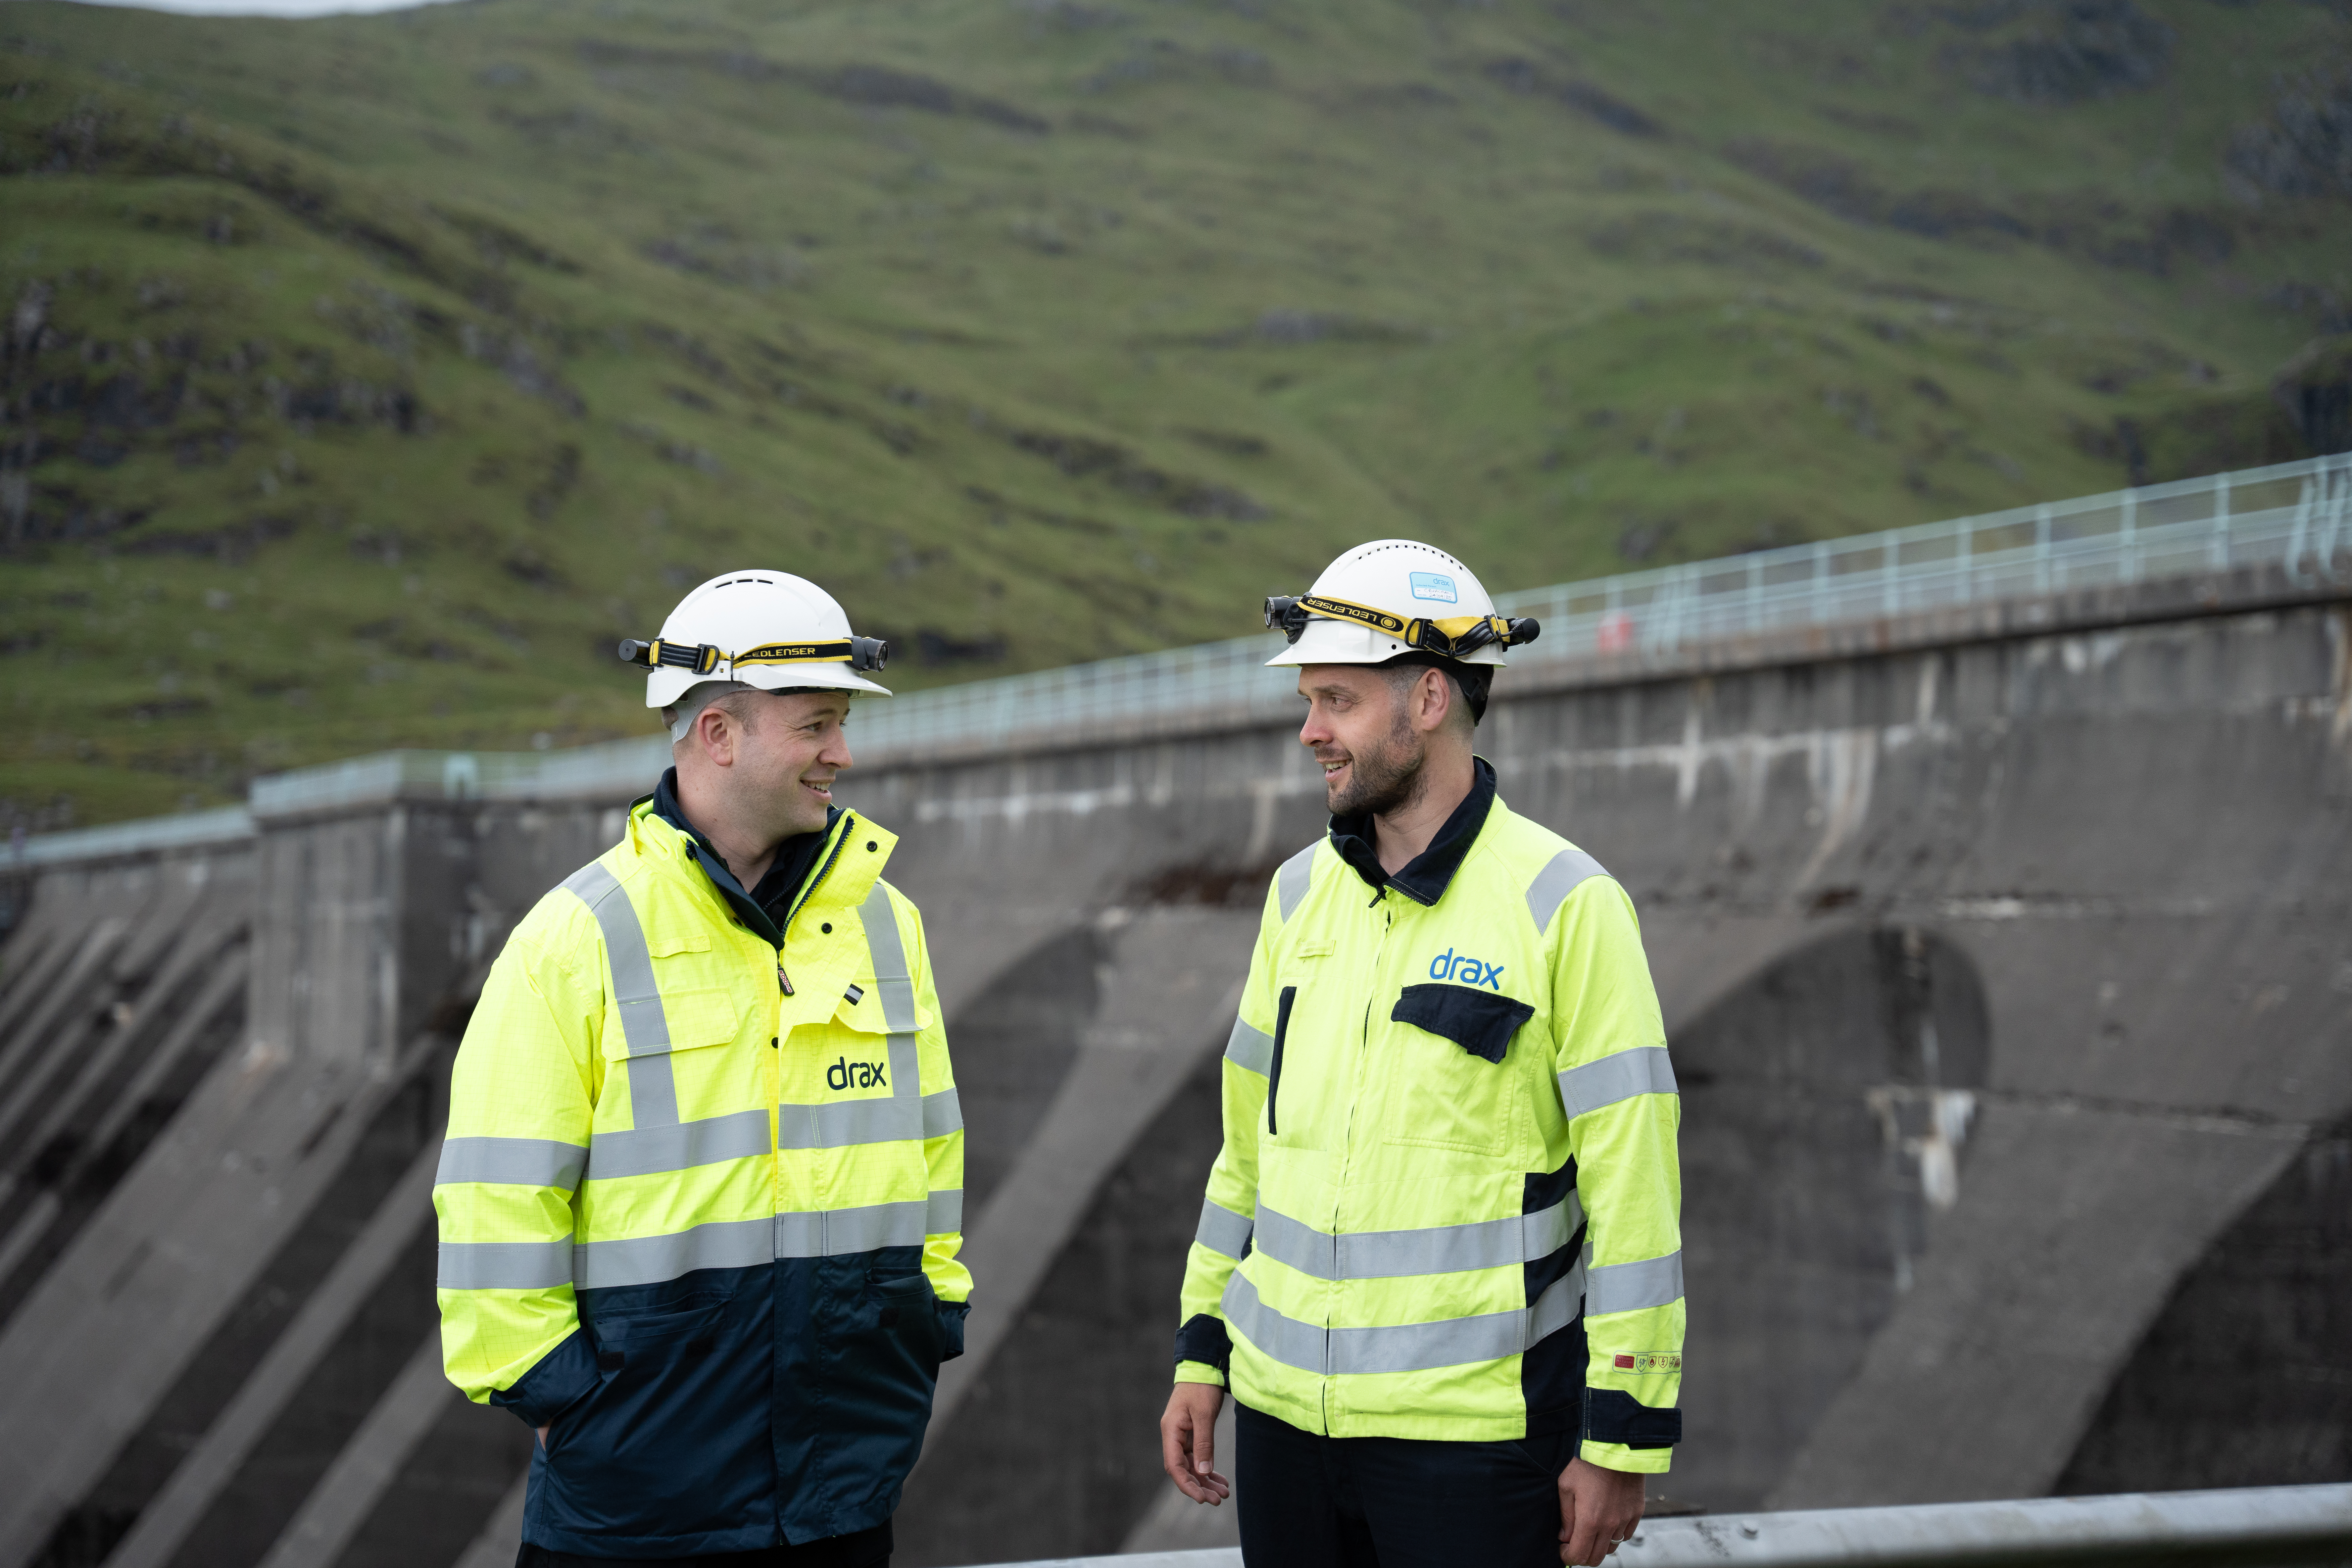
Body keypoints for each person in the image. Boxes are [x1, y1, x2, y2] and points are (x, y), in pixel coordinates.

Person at [1157, 541, 1684, 1568]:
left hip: (1473, 1447)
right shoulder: (1296, 897)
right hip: (1282, 1430)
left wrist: (1623, 1435)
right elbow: (1246, 1156)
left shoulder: (1568, 905)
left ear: (1431, 699)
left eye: (1339, 702)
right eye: (1309, 701)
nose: (1311, 731)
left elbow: (1636, 1190)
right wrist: (1202, 1349)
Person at [435, 571, 971, 1567]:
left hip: (841, 1487)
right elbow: (494, 1198)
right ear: (719, 733)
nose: (843, 755)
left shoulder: (887, 926)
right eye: (817, 726)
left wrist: (927, 1318)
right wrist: (558, 1403)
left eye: (843, 725)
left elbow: (933, 1147)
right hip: (636, 1501)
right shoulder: (577, 937)